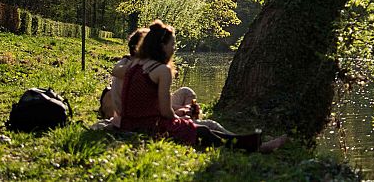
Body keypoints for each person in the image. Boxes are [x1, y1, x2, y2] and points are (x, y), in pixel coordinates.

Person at [113, 19, 286, 151]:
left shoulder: (135, 65)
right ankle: (256, 147)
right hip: (149, 128)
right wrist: (180, 119)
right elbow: (166, 113)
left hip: (129, 125)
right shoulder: (161, 70)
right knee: (203, 132)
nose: (174, 48)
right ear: (162, 46)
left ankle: (253, 143)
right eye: (173, 44)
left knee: (203, 129)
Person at [98, 29, 202, 125]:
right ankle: (191, 120)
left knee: (186, 92)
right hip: (139, 116)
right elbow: (153, 105)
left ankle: (190, 116)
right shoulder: (138, 69)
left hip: (140, 112)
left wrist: (182, 109)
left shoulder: (128, 64)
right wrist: (179, 111)